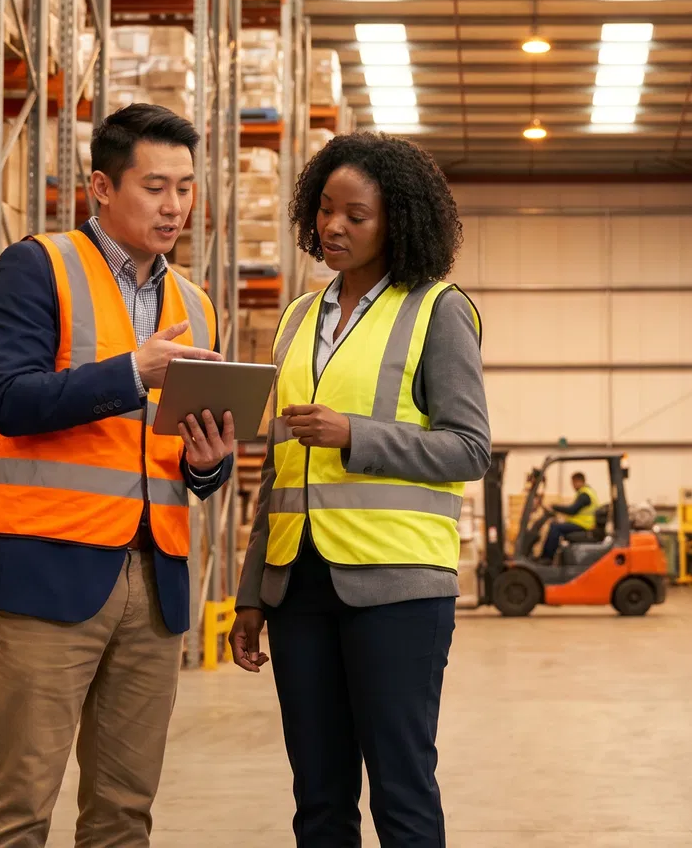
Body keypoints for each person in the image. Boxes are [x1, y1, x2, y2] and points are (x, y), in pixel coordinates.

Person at [0, 104, 238, 847]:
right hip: (49, 572)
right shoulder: (38, 266)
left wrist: (207, 464)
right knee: (19, 806)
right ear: (101, 187)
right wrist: (131, 371)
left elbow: (179, 456)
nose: (175, 206)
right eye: (155, 186)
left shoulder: (197, 305)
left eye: (185, 188)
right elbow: (11, 401)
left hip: (155, 583)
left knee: (125, 812)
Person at [228, 132, 490, 848]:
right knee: (317, 797)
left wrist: (357, 435)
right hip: (298, 587)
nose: (333, 226)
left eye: (357, 215)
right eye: (324, 210)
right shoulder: (294, 321)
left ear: (397, 221)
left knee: (401, 792)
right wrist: (253, 594)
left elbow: (470, 448)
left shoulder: (437, 311)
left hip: (398, 590)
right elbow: (280, 473)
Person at [539, 471, 602, 562]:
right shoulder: (587, 492)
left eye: (573, 483)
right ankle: (550, 558)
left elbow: (572, 510)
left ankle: (547, 558)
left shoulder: (585, 494)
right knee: (556, 525)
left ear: (578, 481)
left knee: (555, 527)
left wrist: (554, 507)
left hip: (584, 525)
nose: (573, 486)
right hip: (583, 524)